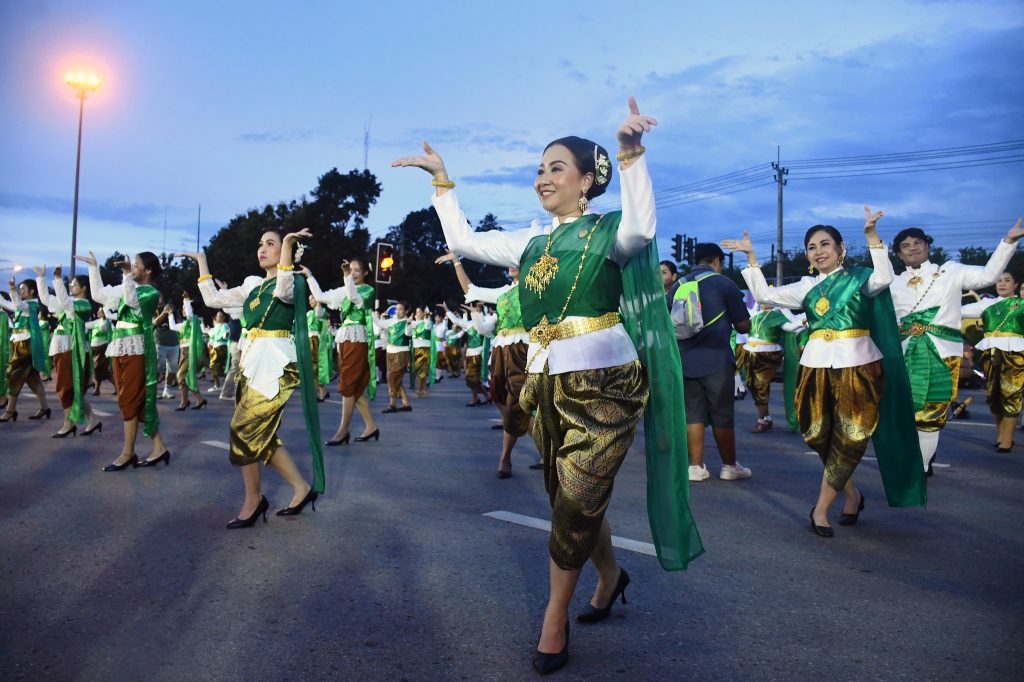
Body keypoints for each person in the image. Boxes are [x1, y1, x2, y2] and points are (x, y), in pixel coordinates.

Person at [394, 97, 702, 674]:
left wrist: (633, 156)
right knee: (568, 499)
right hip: (543, 384)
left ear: (587, 182)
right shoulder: (530, 242)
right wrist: (443, 183)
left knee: (579, 497)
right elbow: (462, 241)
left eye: (557, 168)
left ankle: (553, 618)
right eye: (540, 169)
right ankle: (610, 575)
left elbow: (642, 228)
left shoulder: (609, 233)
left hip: (605, 383)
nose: (543, 178)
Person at [724, 208, 926, 538]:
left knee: (852, 435)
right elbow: (764, 296)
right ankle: (852, 494)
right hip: (815, 366)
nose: (819, 251)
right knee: (818, 435)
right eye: (812, 247)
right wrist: (751, 256)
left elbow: (884, 277)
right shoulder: (805, 287)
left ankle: (820, 509)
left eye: (825, 244)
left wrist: (872, 237)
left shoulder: (860, 278)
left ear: (841, 249)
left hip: (859, 365)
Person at [182, 230, 324, 527]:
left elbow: (283, 290)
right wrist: (202, 263)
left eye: (270, 243)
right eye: (261, 243)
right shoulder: (252, 285)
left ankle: (253, 500)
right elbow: (213, 300)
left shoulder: (294, 282)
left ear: (286, 252)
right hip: (252, 361)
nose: (263, 248)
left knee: (242, 429)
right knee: (263, 435)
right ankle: (301, 489)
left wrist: (287, 245)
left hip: (277, 363)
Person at [890, 220, 1022, 473]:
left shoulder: (950, 271)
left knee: (931, 414)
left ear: (927, 246)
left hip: (941, 355)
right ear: (899, 254)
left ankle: (921, 466)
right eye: (905, 246)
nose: (912, 248)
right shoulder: (894, 283)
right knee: (905, 414)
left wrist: (1008, 242)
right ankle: (916, 457)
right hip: (906, 355)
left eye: (917, 243)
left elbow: (988, 276)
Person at [438, 251, 531, 478]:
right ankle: (513, 455)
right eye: (509, 261)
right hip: (501, 353)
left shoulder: (534, 288)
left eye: (516, 261)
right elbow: (471, 291)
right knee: (512, 408)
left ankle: (515, 458)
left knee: (519, 405)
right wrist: (457, 262)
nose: (511, 265)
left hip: (525, 351)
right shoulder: (502, 293)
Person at [81, 251, 172, 470]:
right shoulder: (127, 285)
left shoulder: (151, 293)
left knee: (128, 400)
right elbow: (99, 296)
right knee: (134, 400)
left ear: (148, 271)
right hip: (119, 347)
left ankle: (127, 453)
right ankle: (159, 448)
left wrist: (125, 274)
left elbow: (132, 302)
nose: (132, 268)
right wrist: (94, 267)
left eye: (136, 265)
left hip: (137, 348)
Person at [671, 243, 752, 482]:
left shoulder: (679, 284)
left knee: (692, 413)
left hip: (684, 359)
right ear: (717, 261)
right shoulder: (724, 283)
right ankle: (729, 466)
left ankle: (695, 467)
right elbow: (743, 325)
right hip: (716, 359)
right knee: (722, 414)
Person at [306, 258, 379, 444]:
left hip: (357, 338)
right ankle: (371, 427)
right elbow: (321, 296)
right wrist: (309, 276)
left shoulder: (368, 290)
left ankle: (342, 430)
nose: (353, 273)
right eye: (350, 270)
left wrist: (346, 277)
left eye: (356, 270)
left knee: (347, 385)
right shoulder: (344, 290)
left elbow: (356, 298)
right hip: (344, 339)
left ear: (365, 274)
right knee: (354, 387)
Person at [34, 266, 102, 437]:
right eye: (70, 284)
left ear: (84, 288)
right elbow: (47, 299)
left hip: (72, 350)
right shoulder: (69, 304)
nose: (71, 286)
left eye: (74, 284)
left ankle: (68, 423)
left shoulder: (83, 305)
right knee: (72, 388)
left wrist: (57, 279)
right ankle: (93, 420)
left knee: (65, 387)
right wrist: (42, 278)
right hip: (62, 348)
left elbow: (65, 303)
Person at [961, 271, 1024, 451]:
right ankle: (1001, 432)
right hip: (990, 353)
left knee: (1011, 393)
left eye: (1007, 280)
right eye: (999, 281)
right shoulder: (987, 304)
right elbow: (959, 312)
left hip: (1016, 353)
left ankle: (1007, 439)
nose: (1002, 284)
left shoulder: (1022, 304)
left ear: (1015, 284)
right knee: (993, 396)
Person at [0, 277, 51, 422]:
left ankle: (10, 410)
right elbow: (7, 303)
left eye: (23, 289)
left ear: (32, 291)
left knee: (13, 375)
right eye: (19, 288)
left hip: (25, 346)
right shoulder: (23, 305)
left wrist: (12, 289)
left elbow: (17, 304)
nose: (20, 290)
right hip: (19, 343)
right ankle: (44, 407)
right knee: (32, 379)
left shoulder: (32, 306)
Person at [743, 303, 789, 432]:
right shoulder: (755, 315)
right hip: (751, 351)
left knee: (760, 386)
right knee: (752, 384)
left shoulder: (777, 316)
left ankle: (762, 420)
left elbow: (791, 327)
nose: (764, 302)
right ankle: (766, 418)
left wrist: (804, 320)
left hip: (768, 354)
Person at [444, 303, 489, 406]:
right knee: (472, 379)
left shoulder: (484, 322)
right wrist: (447, 309)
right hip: (470, 353)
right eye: (473, 309)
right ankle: (484, 396)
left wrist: (482, 308)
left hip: (478, 354)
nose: (474, 311)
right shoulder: (469, 323)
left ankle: (476, 397)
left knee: (472, 378)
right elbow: (456, 321)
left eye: (477, 309)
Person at [373, 302, 413, 413]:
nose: (397, 311)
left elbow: (408, 334)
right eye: (397, 309)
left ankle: (392, 404)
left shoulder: (408, 322)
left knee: (391, 377)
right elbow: (379, 323)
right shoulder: (392, 321)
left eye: (400, 309)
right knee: (397, 380)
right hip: (390, 352)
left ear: (406, 311)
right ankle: (406, 404)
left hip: (401, 353)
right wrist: (370, 311)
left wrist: (409, 324)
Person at [173, 295, 207, 411]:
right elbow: (172, 327)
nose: (183, 310)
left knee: (180, 376)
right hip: (184, 353)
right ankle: (198, 399)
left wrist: (186, 300)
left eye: (185, 308)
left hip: (189, 352)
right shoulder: (186, 324)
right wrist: (169, 314)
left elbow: (189, 315)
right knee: (186, 378)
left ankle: (185, 401)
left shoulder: (193, 320)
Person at [87, 307, 114, 396]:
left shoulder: (107, 322)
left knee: (98, 368)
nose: (98, 313)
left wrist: (104, 318)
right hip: (94, 347)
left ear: (104, 313)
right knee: (98, 369)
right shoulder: (97, 322)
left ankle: (117, 386)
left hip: (102, 348)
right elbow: (86, 325)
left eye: (100, 311)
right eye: (98, 311)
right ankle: (98, 390)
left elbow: (104, 329)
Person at [207, 310, 230, 392]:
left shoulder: (225, 325)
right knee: (214, 367)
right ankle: (218, 385)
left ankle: (227, 381)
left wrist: (226, 334)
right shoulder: (216, 326)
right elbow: (211, 334)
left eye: (220, 315)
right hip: (215, 348)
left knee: (214, 366)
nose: (218, 317)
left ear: (223, 317)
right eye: (217, 316)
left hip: (221, 348)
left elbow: (225, 334)